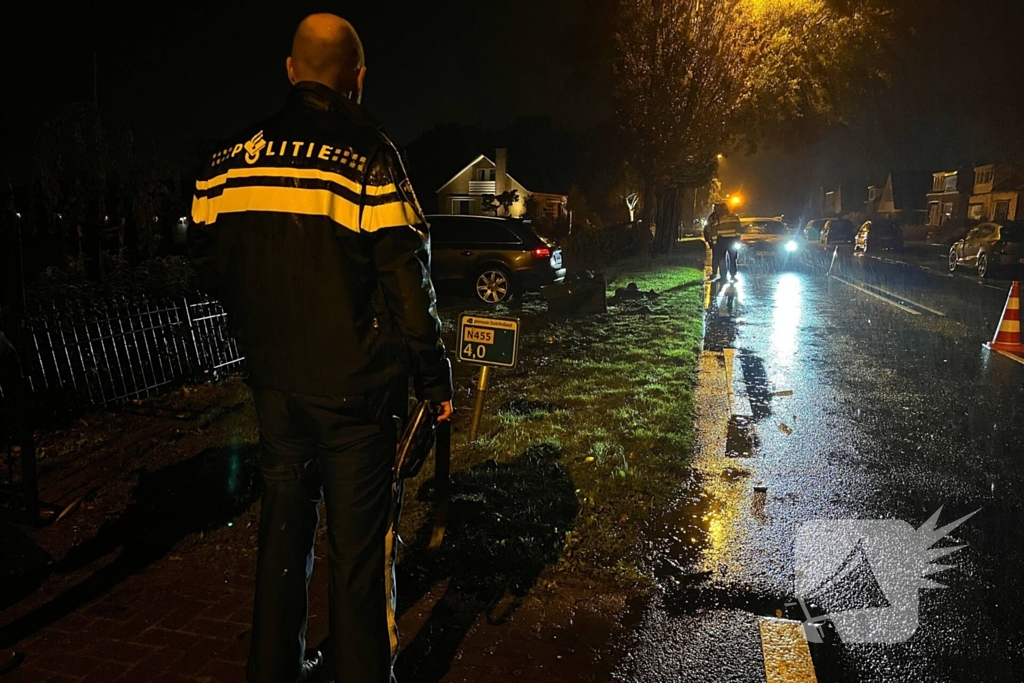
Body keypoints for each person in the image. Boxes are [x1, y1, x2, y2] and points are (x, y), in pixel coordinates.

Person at [189, 14, 453, 683]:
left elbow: (210, 260)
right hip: (356, 395)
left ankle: (273, 669)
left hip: (275, 387)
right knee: (359, 554)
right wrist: (433, 376)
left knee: (282, 533)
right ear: (358, 80)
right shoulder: (369, 155)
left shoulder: (226, 162)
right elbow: (408, 280)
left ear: (289, 70)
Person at [704, 202, 742, 280]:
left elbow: (713, 231)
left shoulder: (718, 219)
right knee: (732, 258)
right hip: (732, 240)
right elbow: (739, 229)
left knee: (721, 258)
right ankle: (733, 274)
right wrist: (737, 239)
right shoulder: (735, 217)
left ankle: (723, 275)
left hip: (722, 241)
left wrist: (713, 242)